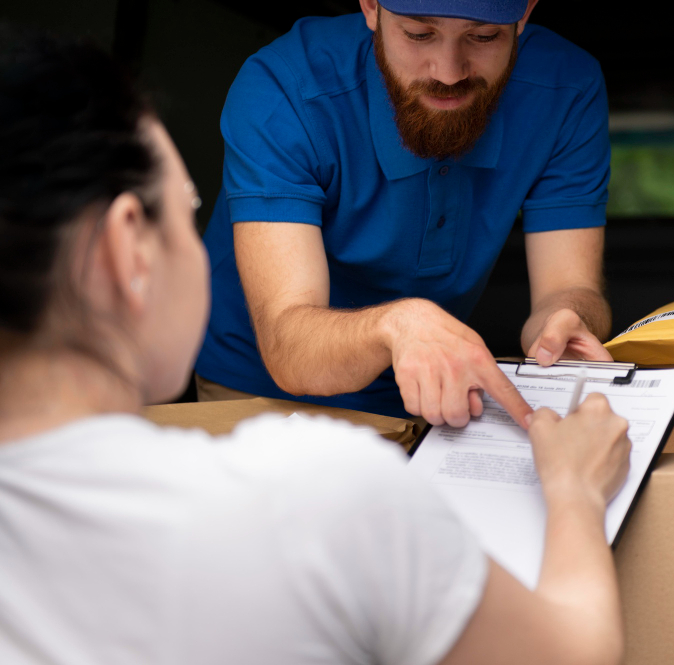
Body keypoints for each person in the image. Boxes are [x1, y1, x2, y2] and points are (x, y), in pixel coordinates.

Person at [0, 29, 632, 665]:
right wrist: (576, 492)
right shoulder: (326, 495)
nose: (447, 67)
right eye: (188, 204)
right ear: (124, 250)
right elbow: (571, 654)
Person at [194, 0, 615, 428]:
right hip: (260, 388)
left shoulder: (568, 88)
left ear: (524, 14)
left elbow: (568, 286)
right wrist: (398, 324)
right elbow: (291, 348)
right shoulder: (284, 87)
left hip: (434, 388)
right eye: (418, 34)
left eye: (484, 36)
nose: (449, 72)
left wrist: (567, 320)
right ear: (371, 7)